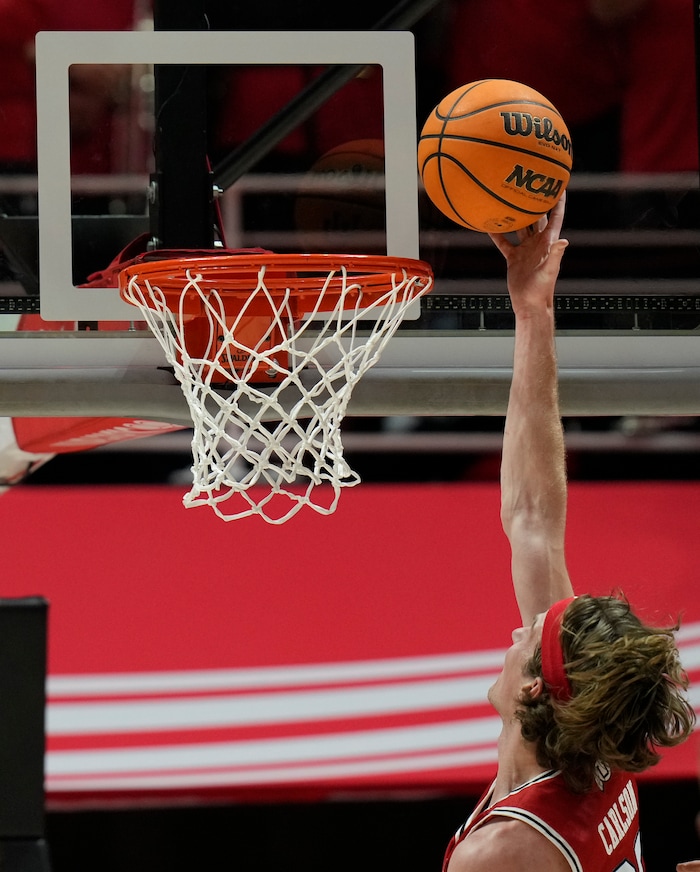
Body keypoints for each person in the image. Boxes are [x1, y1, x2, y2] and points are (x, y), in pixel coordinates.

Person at [441, 193, 697, 871]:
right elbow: (533, 516)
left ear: (536, 691)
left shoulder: (505, 853)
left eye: (534, 636)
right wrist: (532, 308)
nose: (522, 629)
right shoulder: (586, 743)